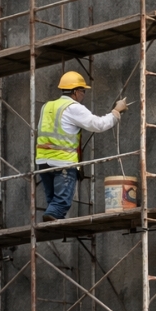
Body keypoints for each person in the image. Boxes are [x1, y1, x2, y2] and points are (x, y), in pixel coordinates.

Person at [35, 71, 128, 222]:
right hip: (62, 162)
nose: (84, 94)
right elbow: (97, 125)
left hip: (43, 162)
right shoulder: (73, 108)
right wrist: (116, 112)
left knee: (53, 200)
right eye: (83, 91)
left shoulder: (47, 106)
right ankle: (52, 218)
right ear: (76, 91)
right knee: (61, 203)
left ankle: (51, 219)